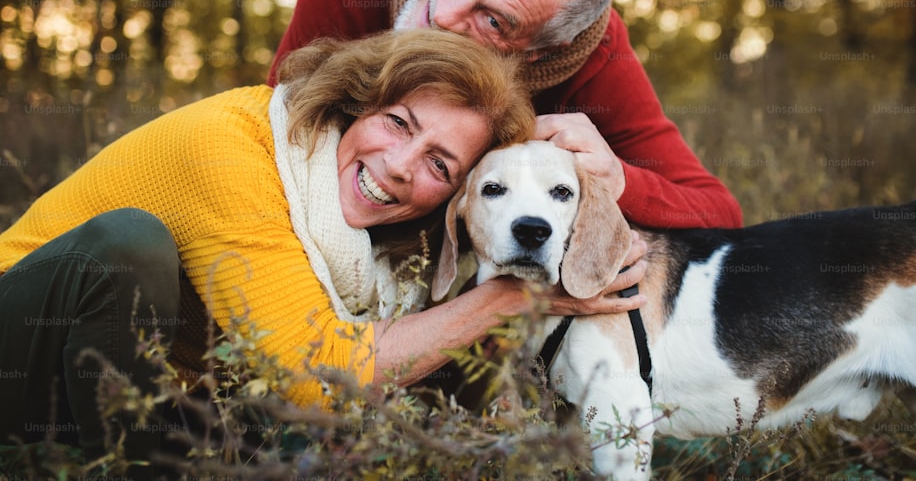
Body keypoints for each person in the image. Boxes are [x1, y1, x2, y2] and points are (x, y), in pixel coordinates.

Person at [0, 30, 648, 474]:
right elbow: (314, 378)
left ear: (456, 199)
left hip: (132, 397)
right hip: (18, 351)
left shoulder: (384, 254)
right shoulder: (230, 147)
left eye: (439, 163)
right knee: (129, 247)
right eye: (398, 122)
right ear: (357, 99)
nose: (397, 166)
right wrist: (510, 294)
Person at [269, 0, 742, 230]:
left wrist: (618, 180)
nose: (445, 15)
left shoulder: (593, 52)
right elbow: (274, 132)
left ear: (541, 51)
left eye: (494, 22)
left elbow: (717, 210)